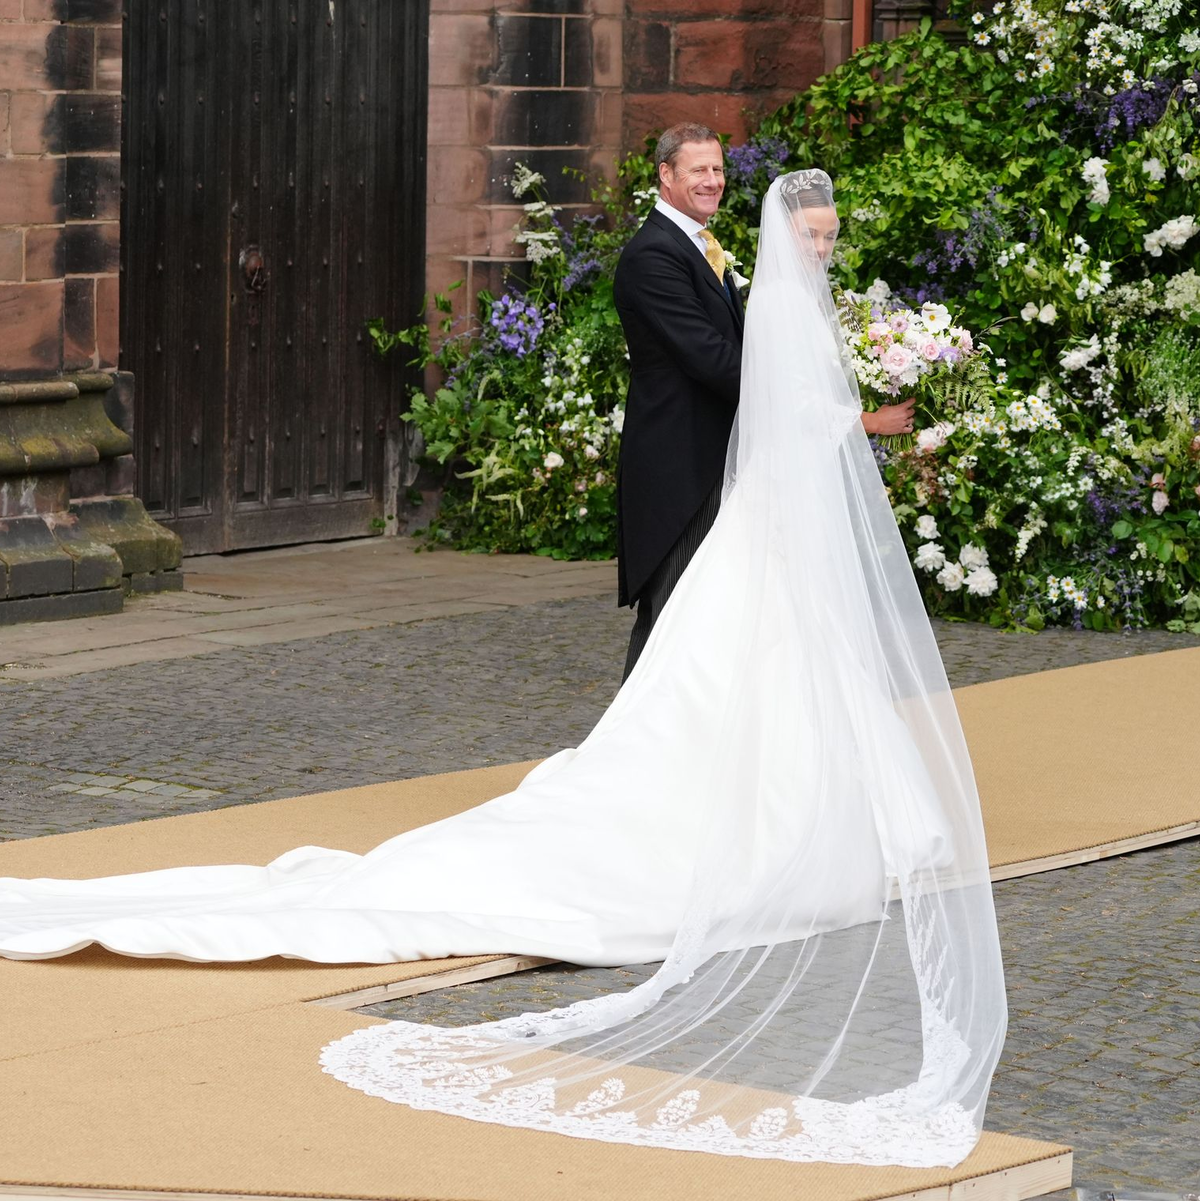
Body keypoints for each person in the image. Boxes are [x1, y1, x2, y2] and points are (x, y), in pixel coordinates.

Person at [0, 171, 1005, 1171]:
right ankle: (768, 819)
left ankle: (819, 806)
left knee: (771, 663)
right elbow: (771, 406)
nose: (825, 249)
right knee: (734, 671)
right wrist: (871, 421)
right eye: (817, 235)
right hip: (764, 520)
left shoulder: (764, 290)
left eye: (830, 235)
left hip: (766, 526)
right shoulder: (770, 302)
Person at [614, 124, 914, 680]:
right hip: (681, 466)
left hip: (724, 458)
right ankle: (633, 749)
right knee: (674, 619)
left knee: (713, 618)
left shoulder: (701, 246)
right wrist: (821, 412)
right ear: (665, 175)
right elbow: (710, 358)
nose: (712, 180)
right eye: (698, 169)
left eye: (718, 169)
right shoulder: (652, 256)